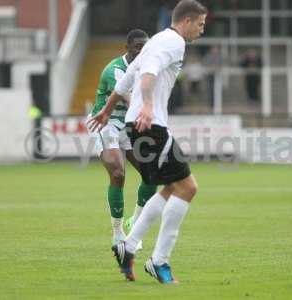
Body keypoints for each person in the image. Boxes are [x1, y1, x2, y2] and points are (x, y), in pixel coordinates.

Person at [87, 0, 207, 284]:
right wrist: (149, 106)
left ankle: (128, 247)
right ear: (186, 21)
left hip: (138, 125)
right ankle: (159, 261)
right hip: (150, 124)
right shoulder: (174, 43)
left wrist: (106, 110)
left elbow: (127, 78)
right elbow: (149, 72)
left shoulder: (155, 41)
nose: (202, 31)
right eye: (200, 25)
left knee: (170, 188)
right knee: (188, 187)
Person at [88, 29, 157, 248]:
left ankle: (134, 223)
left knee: (151, 172)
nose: (141, 50)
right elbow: (130, 100)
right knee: (118, 173)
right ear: (126, 48)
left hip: (128, 124)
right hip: (106, 122)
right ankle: (117, 232)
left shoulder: (147, 69)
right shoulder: (115, 70)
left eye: (144, 47)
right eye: (137, 46)